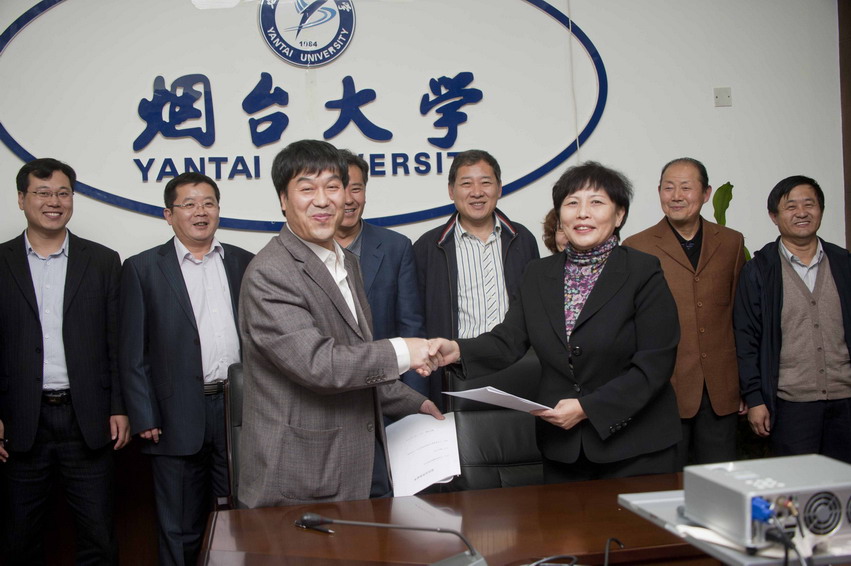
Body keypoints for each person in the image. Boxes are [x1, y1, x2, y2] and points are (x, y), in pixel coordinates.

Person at [430, 161, 682, 483]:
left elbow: (654, 364)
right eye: (572, 203)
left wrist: (588, 407)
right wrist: (456, 350)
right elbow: (508, 340)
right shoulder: (538, 274)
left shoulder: (643, 272)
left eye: (596, 202)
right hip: (564, 449)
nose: (583, 213)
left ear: (619, 215)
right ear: (560, 215)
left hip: (636, 447)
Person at [237, 140, 442, 509]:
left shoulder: (346, 261)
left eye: (332, 186)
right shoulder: (270, 272)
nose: (322, 200)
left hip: (358, 458)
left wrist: (414, 403)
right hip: (302, 471)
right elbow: (320, 365)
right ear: (283, 199)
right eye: (307, 188)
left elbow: (356, 359)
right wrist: (404, 350)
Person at [119, 172, 254, 566]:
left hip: (237, 410)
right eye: (190, 204)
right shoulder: (143, 268)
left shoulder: (243, 262)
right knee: (179, 526)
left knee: (238, 517)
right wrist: (144, 414)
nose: (201, 212)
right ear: (169, 214)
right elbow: (132, 350)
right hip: (173, 414)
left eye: (209, 203)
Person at [0, 158, 129, 565]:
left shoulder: (103, 261)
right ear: (21, 199)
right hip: (22, 419)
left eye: (63, 193)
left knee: (99, 537)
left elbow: (117, 342)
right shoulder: (1, 261)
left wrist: (119, 407)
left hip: (86, 417)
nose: (54, 202)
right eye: (42, 193)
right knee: (19, 539)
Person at [623, 158, 745, 469]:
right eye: (668, 188)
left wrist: (748, 387)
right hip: (664, 390)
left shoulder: (731, 242)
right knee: (666, 482)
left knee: (720, 483)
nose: (676, 196)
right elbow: (629, 327)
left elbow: (740, 317)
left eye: (686, 188)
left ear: (706, 193)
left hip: (721, 390)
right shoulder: (636, 247)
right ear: (659, 192)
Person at [734, 175, 851, 464]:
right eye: (791, 206)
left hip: (846, 400)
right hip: (791, 404)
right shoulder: (760, 270)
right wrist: (755, 399)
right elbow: (746, 339)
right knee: (799, 484)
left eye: (809, 204)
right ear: (774, 216)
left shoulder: (844, 263)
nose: (801, 213)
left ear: (821, 210)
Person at [413, 149, 539, 409]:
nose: (477, 192)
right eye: (466, 183)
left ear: (499, 188)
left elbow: (537, 310)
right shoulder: (428, 247)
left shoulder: (523, 240)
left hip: (519, 368)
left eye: (486, 182)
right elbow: (416, 320)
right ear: (451, 191)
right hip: (456, 371)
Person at [334, 150, 428, 395]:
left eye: (356, 189)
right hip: (325, 395)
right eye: (339, 189)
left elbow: (411, 330)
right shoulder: (305, 252)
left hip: (386, 393)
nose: (348, 199)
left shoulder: (396, 247)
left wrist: (415, 402)